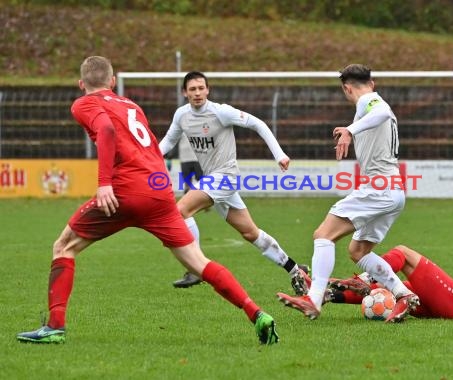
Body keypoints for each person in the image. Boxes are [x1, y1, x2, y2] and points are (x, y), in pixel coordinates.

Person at [16, 56, 278, 345]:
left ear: (81, 84)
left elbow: (105, 130)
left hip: (124, 193)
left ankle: (54, 326)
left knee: (63, 246)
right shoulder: (131, 105)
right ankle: (257, 313)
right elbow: (153, 146)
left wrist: (104, 184)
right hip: (159, 192)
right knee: (197, 262)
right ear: (113, 82)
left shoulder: (84, 103)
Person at [276, 64, 418, 323]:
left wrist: (350, 131)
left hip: (378, 188)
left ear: (346, 88)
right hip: (394, 190)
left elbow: (383, 111)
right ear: (372, 82)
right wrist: (352, 129)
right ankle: (403, 293)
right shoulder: (369, 103)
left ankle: (314, 299)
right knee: (358, 251)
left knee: (323, 235)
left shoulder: (369, 101)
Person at [159, 71, 310, 293]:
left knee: (179, 210)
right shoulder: (182, 115)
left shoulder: (221, 112)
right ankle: (295, 269)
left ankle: (195, 267)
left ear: (208, 90)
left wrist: (279, 155)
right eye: (192, 89)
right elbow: (168, 142)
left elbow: (258, 124)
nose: (198, 93)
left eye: (201, 88)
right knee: (251, 233)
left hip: (225, 177)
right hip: (213, 180)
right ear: (185, 92)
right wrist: (148, 161)